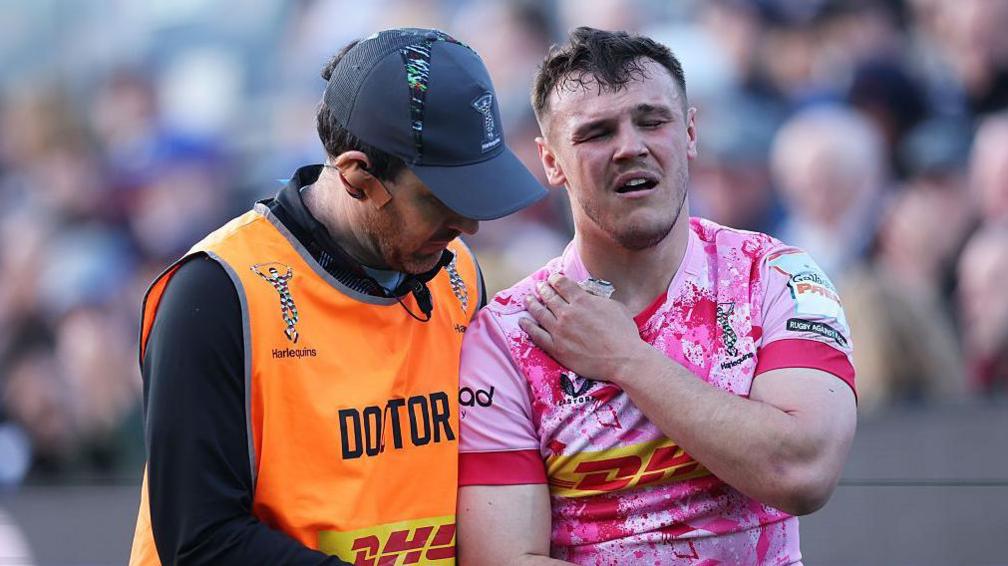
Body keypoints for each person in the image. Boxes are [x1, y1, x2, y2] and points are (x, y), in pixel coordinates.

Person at [128, 28, 546, 565]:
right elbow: (200, 541)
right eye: (442, 198)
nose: (468, 225)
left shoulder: (457, 273)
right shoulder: (216, 291)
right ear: (356, 175)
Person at [457, 27, 857, 565]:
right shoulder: (509, 335)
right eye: (597, 133)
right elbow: (501, 560)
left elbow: (803, 473)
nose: (630, 147)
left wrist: (627, 360)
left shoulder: (776, 277)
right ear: (551, 161)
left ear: (689, 132)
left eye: (652, 121)